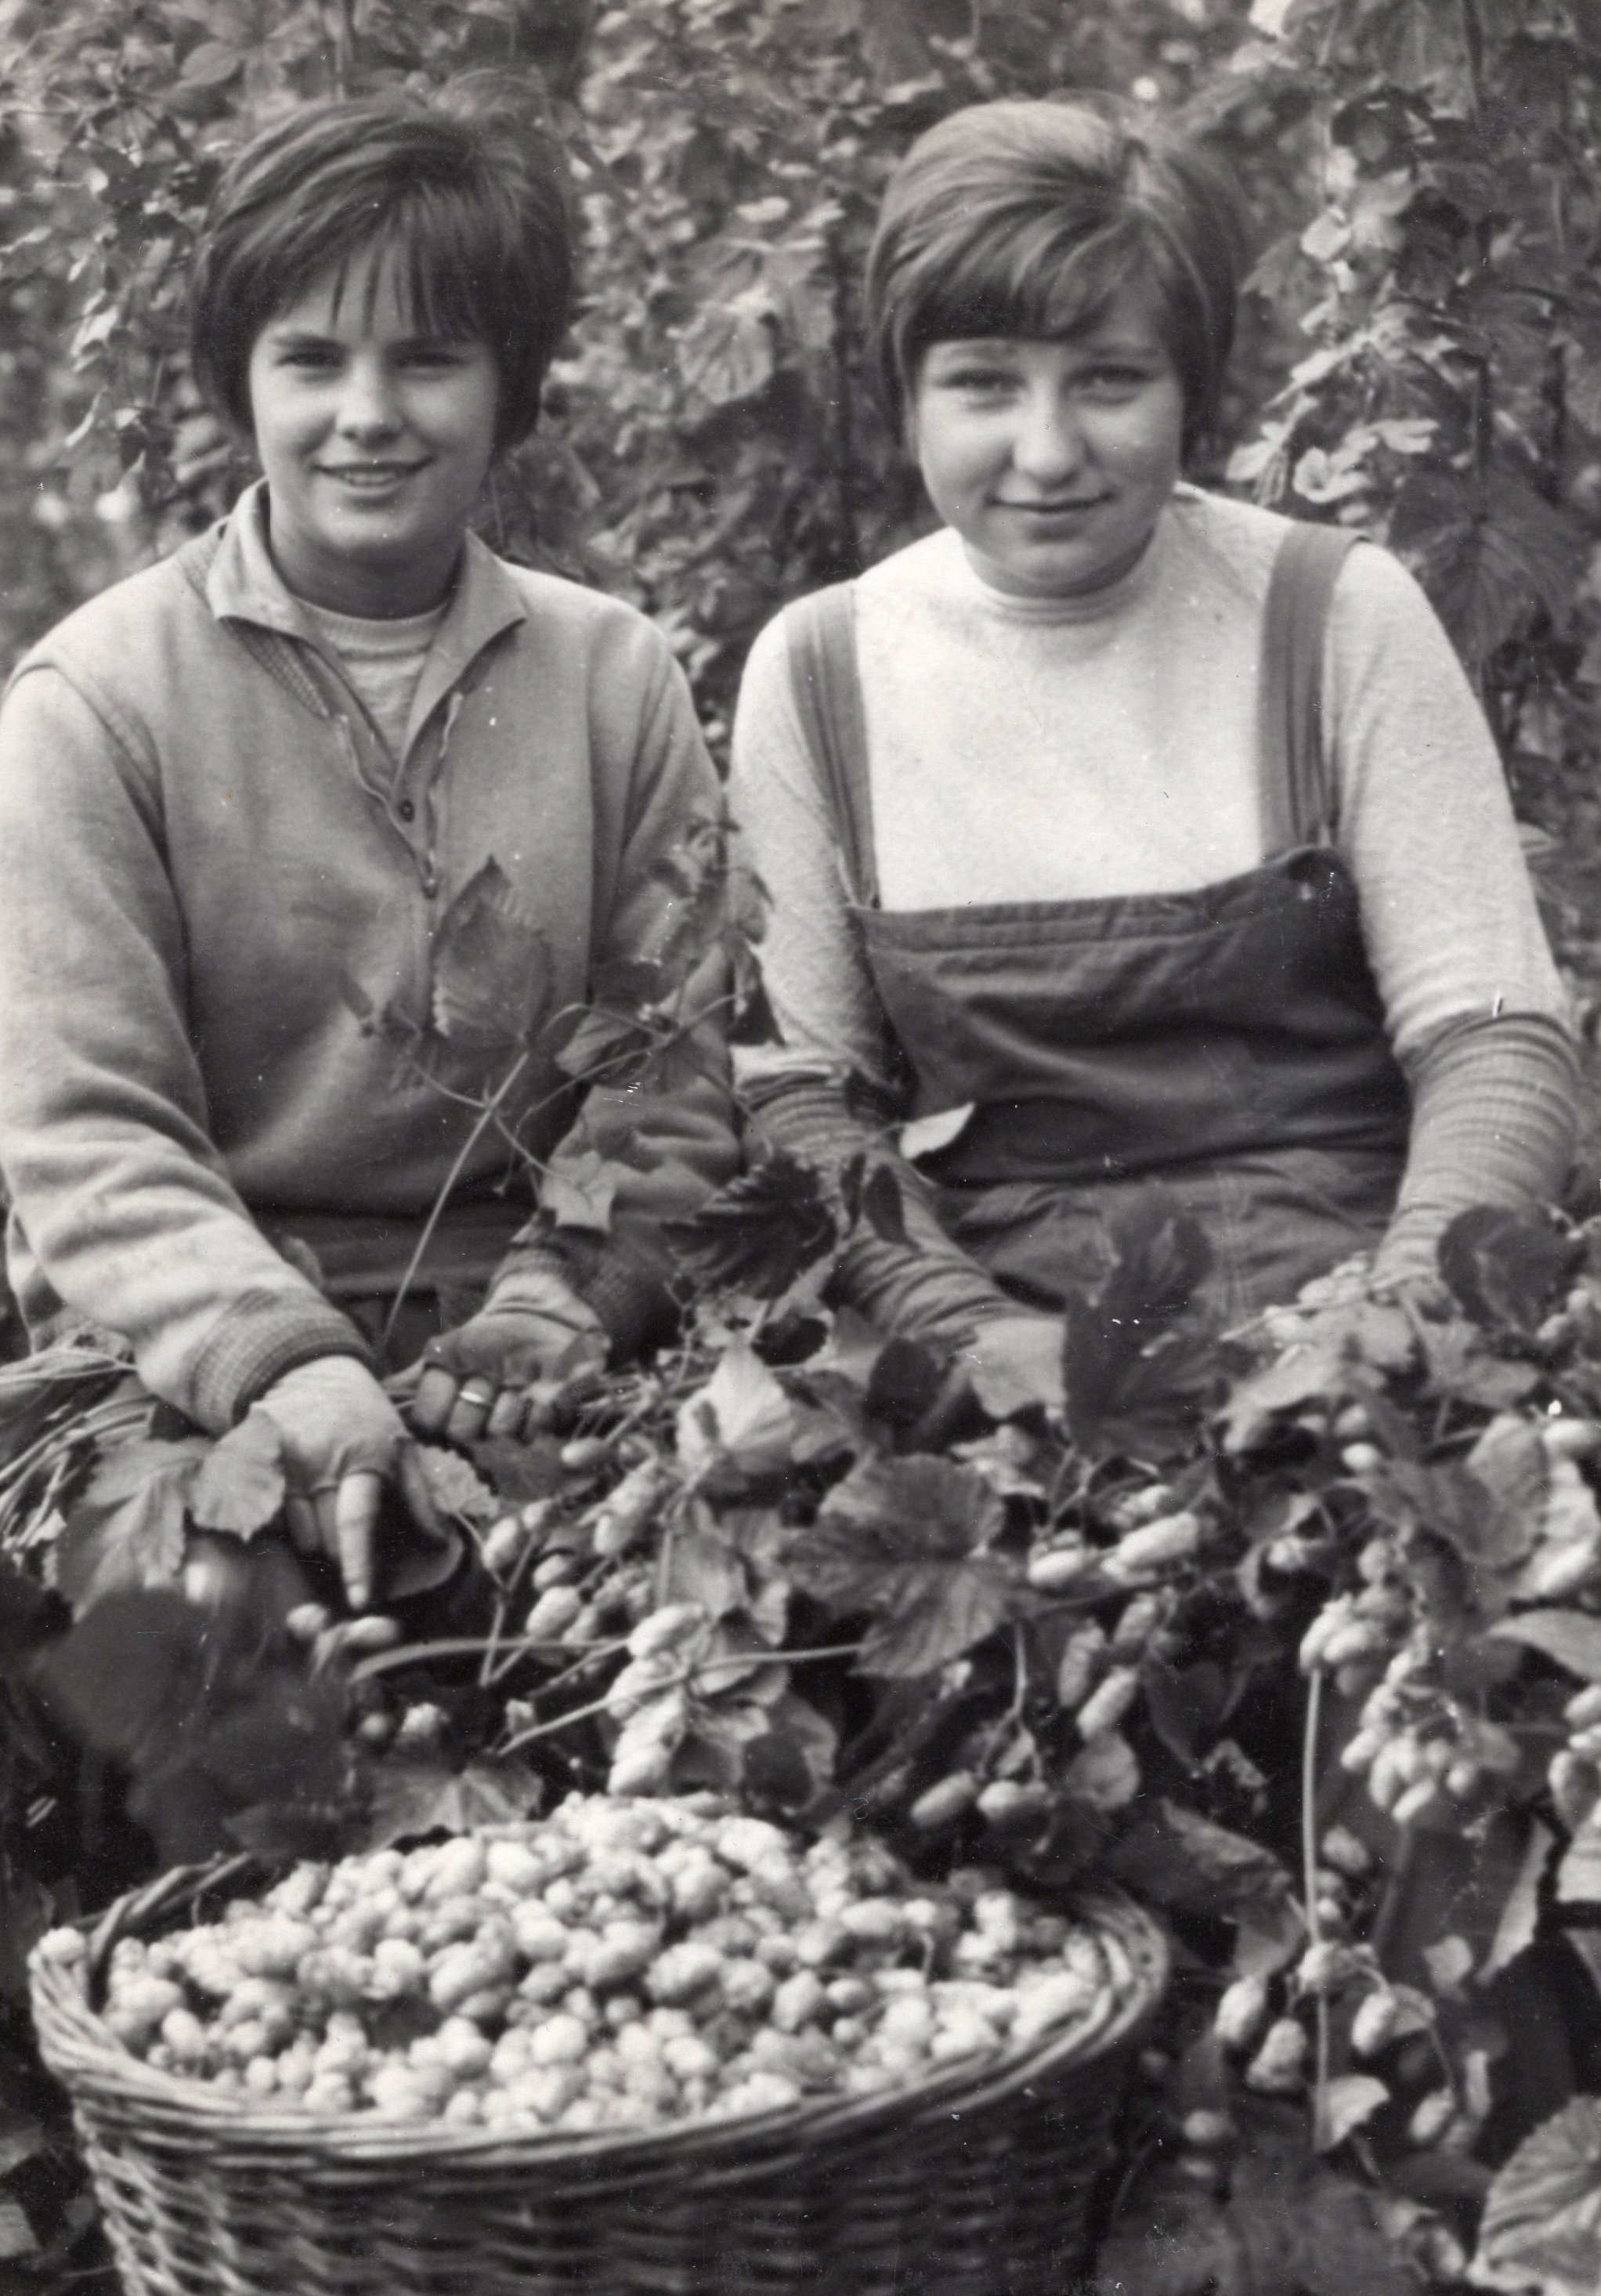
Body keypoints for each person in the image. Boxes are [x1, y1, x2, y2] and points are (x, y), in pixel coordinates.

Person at [0, 83, 735, 1609]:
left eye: (428, 358)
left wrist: (557, 1305)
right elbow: (89, 1133)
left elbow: (667, 1072)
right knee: (216, 1655)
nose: (367, 413)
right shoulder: (98, 699)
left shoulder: (612, 676)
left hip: (530, 1343)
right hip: (189, 1350)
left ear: (511, 385)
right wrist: (290, 1366)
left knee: (652, 1617)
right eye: (312, 358)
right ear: (239, 380)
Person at [729, 97, 1577, 1401]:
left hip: (1363, 1318)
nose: (1048, 451)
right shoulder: (817, 670)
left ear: (1193, 385)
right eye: (984, 383)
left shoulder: (1335, 613)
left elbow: (1494, 1037)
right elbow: (806, 1102)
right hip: (1001, 1354)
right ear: (906, 396)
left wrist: (1400, 1319)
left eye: (1110, 379)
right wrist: (973, 1339)